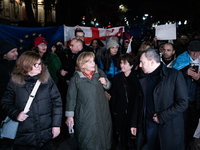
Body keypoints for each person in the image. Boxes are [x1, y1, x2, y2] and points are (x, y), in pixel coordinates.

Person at [1, 51, 62, 150]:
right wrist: (16, 114)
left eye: (40, 64)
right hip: (24, 137)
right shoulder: (15, 82)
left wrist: (56, 125)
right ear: (25, 65)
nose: (39, 67)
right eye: (35, 64)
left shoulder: (47, 80)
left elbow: (57, 102)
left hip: (45, 134)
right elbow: (6, 102)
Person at [131, 48, 188, 150]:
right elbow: (138, 102)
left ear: (152, 62)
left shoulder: (174, 75)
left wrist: (162, 117)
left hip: (169, 127)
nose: (139, 65)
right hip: (147, 126)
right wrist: (134, 123)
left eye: (142, 62)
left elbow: (183, 103)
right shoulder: (143, 78)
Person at [65, 52, 112, 150]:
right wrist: (70, 116)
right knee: (87, 138)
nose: (93, 63)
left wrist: (106, 83)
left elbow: (109, 87)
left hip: (102, 112)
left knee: (103, 135)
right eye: (89, 61)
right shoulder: (76, 79)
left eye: (93, 61)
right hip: (85, 114)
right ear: (82, 65)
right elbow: (71, 98)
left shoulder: (99, 73)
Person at [173, 40, 200, 150]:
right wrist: (185, 72)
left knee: (193, 123)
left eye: (197, 52)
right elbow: (173, 75)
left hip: (196, 100)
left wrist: (198, 79)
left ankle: (189, 142)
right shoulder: (181, 59)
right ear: (188, 50)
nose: (194, 55)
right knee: (181, 123)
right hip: (183, 99)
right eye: (192, 52)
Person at [110, 53, 140, 150]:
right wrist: (114, 111)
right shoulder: (117, 78)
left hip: (133, 113)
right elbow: (113, 96)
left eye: (124, 63)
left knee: (132, 138)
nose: (121, 65)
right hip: (120, 112)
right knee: (121, 136)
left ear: (131, 65)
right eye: (121, 63)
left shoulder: (138, 78)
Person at [0, 40, 18, 149]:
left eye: (16, 51)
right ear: (5, 54)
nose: (16, 53)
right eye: (13, 51)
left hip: (14, 104)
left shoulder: (19, 66)